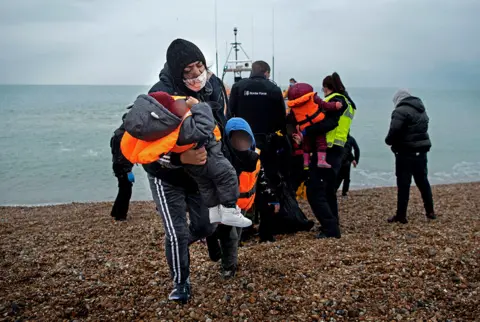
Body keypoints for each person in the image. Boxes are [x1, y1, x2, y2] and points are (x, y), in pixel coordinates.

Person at [124, 38, 228, 303]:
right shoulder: (159, 93)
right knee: (176, 231)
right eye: (187, 70)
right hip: (165, 173)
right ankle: (181, 283)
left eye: (199, 65)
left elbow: (221, 127)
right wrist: (181, 158)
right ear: (176, 72)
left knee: (205, 225)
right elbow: (144, 142)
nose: (196, 74)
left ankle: (185, 243)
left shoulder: (214, 85)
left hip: (199, 175)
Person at [122, 92, 251, 228]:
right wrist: (198, 106)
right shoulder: (184, 128)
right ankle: (230, 210)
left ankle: (214, 212)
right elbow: (205, 126)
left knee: (205, 184)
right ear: (167, 114)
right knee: (227, 175)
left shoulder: (160, 132)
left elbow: (159, 153)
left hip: (192, 166)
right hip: (209, 156)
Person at [206, 117, 260, 278]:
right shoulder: (223, 159)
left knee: (236, 235)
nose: (241, 141)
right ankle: (228, 266)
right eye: (236, 137)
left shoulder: (254, 157)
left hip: (244, 204)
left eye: (244, 137)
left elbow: (261, 180)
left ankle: (228, 260)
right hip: (225, 205)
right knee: (229, 235)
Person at [303, 72, 356, 239]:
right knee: (328, 191)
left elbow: (328, 123)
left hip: (327, 150)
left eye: (323, 88)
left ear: (327, 87)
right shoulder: (348, 101)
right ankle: (332, 223)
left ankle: (331, 229)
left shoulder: (335, 101)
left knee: (314, 191)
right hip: (338, 150)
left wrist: (306, 131)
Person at [385, 89, 436, 224]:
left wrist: (388, 141)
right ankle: (430, 211)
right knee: (423, 181)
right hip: (421, 152)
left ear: (398, 100)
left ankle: (401, 215)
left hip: (405, 153)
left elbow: (394, 130)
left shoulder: (400, 111)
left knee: (403, 184)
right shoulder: (421, 110)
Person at [287, 82, 342, 169]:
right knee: (321, 143)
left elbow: (292, 119)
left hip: (305, 127)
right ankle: (321, 160)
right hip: (317, 123)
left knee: (306, 144)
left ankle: (305, 162)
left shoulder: (293, 106)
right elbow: (325, 105)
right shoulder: (312, 97)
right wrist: (335, 105)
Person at [110, 113, 134, 221]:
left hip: (117, 165)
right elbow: (121, 155)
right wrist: (127, 170)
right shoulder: (123, 136)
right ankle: (120, 215)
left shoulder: (117, 133)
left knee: (122, 188)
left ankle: (115, 211)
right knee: (126, 190)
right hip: (122, 166)